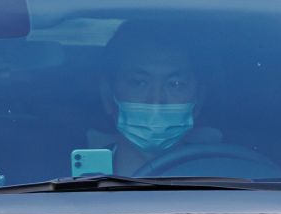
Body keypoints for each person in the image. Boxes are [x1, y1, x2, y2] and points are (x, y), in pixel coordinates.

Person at [84, 22, 221, 176]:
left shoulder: (228, 174)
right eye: (139, 82)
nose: (156, 101)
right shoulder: (63, 179)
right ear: (107, 95)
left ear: (199, 100)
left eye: (175, 84)